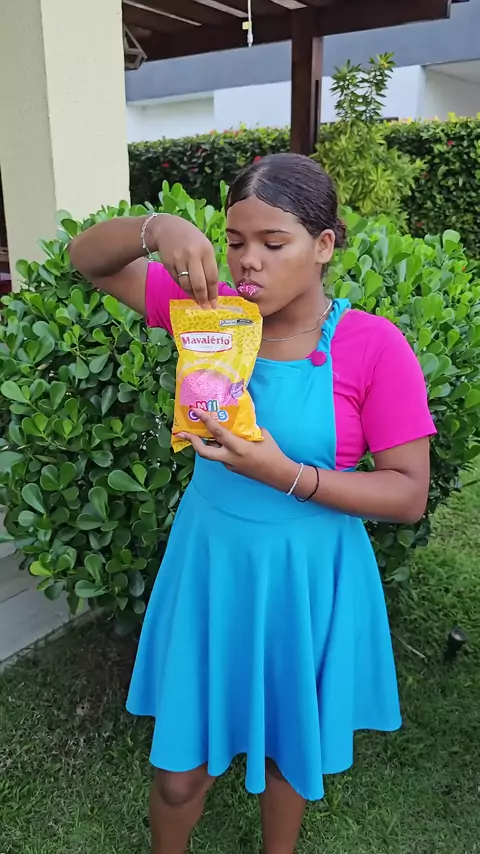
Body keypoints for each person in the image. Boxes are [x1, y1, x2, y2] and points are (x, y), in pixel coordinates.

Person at [69, 153, 436, 854]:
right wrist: (157, 227)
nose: (248, 262)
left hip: (307, 576)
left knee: (285, 759)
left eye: (274, 243)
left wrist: (285, 474)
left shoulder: (372, 347)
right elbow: (88, 261)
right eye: (236, 241)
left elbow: (407, 492)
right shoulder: (206, 314)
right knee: (179, 777)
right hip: (213, 566)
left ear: (323, 245)